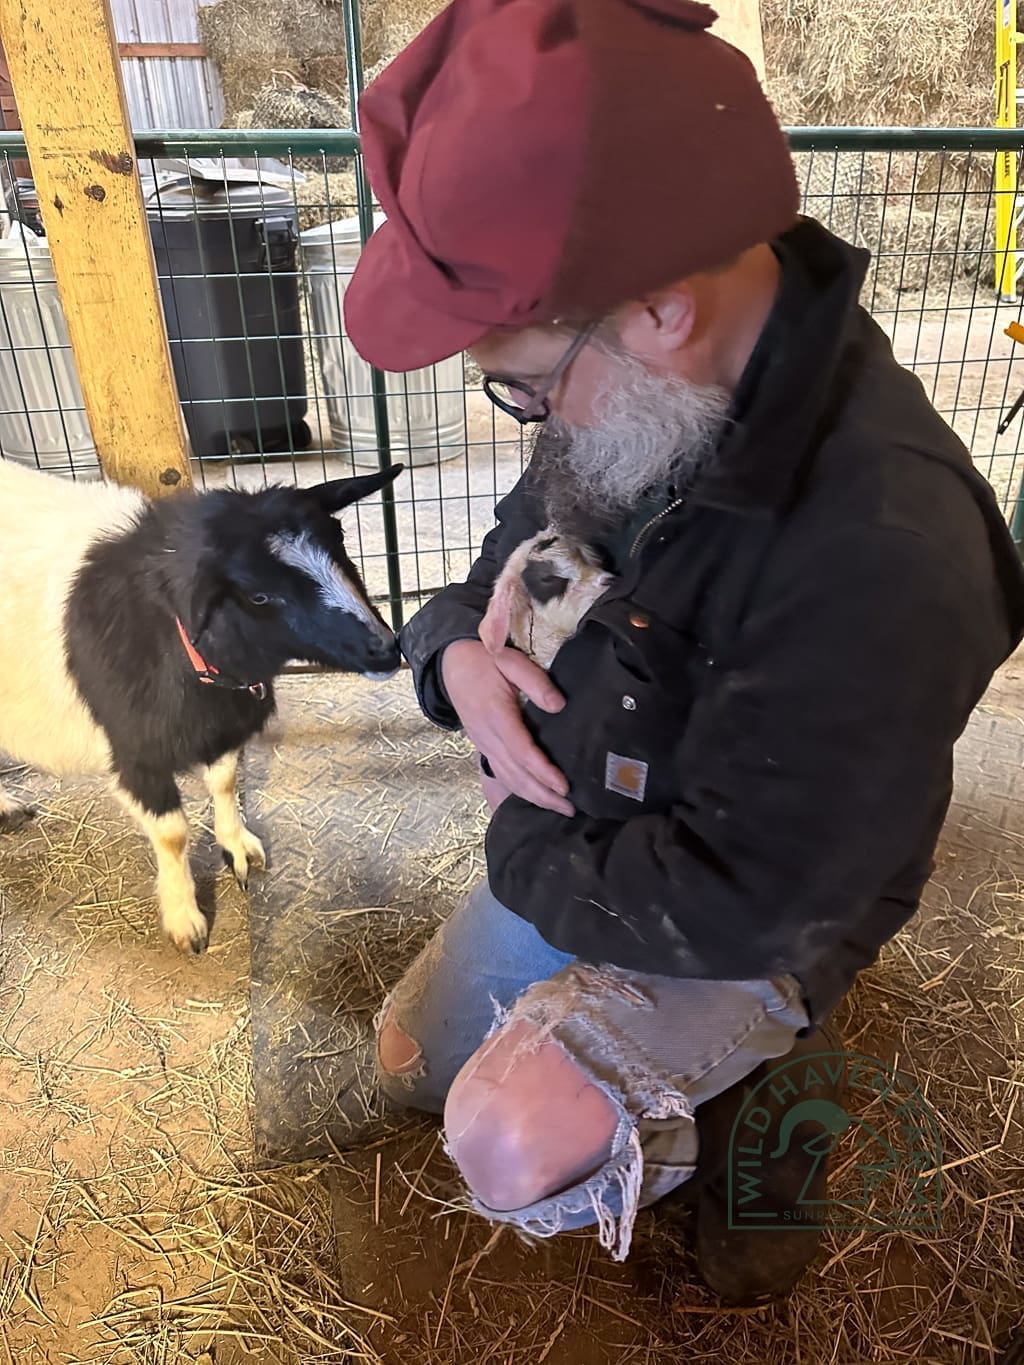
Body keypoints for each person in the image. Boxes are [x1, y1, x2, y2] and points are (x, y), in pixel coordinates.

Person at [342, 0, 1024, 1304]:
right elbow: (510, 555)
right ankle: (657, 1077)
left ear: (659, 310)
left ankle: (748, 1106)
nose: (528, 417)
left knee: (507, 1141)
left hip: (751, 909)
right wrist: (456, 658)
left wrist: (518, 837)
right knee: (407, 1064)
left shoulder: (887, 554)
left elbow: (747, 898)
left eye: (522, 388)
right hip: (603, 820)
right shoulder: (655, 385)